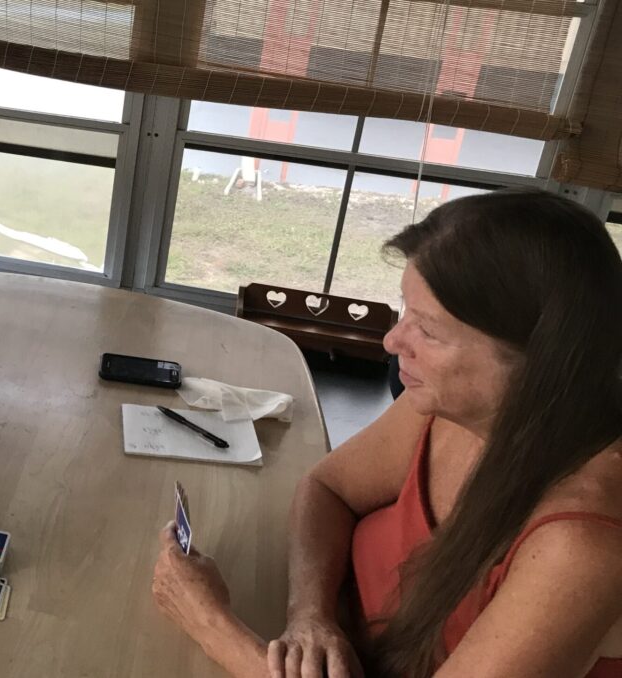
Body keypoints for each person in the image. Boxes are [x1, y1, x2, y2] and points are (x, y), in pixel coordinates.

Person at [152, 188, 622, 677]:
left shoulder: (581, 542)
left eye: (430, 331)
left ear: (539, 364)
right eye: (406, 312)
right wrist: (311, 616)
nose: (393, 341)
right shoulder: (456, 408)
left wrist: (210, 623)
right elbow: (327, 487)